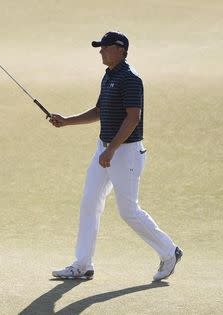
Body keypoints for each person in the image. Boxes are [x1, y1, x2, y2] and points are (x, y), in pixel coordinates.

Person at [49, 31, 182, 282]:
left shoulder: (130, 78)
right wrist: (67, 121)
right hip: (105, 148)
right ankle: (82, 264)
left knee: (129, 211)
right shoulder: (109, 75)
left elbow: (133, 118)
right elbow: (100, 110)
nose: (100, 51)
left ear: (121, 50)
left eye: (105, 47)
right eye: (100, 48)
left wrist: (112, 150)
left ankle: (169, 251)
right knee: (89, 202)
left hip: (126, 153)